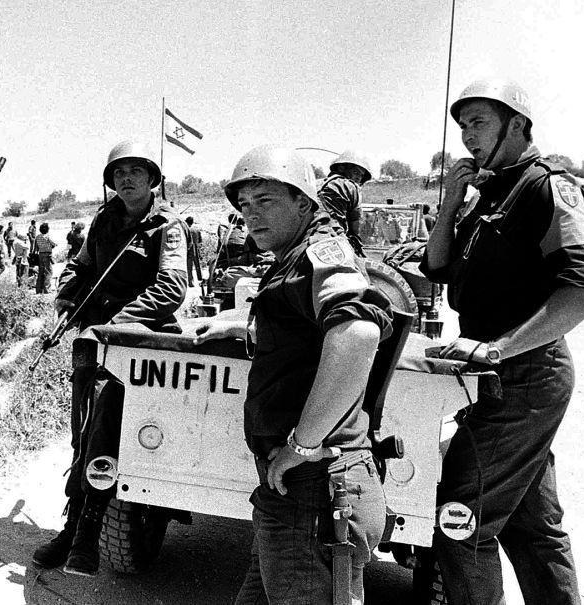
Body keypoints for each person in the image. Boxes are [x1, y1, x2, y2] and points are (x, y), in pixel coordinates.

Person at [421, 78, 584, 605]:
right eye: (462, 127)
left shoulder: (549, 187)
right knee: (531, 528)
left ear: (518, 125)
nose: (467, 137)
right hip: (500, 376)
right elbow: (438, 267)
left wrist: (498, 348)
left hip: (524, 375)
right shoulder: (490, 193)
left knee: (460, 522)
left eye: (478, 122)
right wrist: (451, 203)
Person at [194, 145, 392, 605]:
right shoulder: (292, 257)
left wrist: (300, 445)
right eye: (244, 206)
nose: (251, 217)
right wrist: (235, 324)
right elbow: (300, 331)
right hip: (296, 492)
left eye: (266, 201)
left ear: (304, 201)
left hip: (316, 490)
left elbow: (358, 332)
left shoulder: (320, 250)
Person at [32, 140, 187, 576]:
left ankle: (87, 531)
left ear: (152, 178)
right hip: (91, 337)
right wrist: (65, 296)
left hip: (137, 343)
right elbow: (80, 266)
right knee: (82, 429)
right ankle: (72, 523)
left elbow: (171, 288)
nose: (127, 178)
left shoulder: (167, 226)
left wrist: (117, 321)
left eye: (136, 170)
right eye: (119, 171)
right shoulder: (104, 219)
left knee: (107, 425)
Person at [318, 149, 373, 255]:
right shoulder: (350, 186)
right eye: (356, 172)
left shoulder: (316, 184)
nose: (358, 177)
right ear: (341, 168)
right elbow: (356, 229)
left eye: (361, 175)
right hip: (332, 242)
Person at [184, 215, 204, 287]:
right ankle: (201, 280)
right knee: (198, 265)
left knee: (189, 266)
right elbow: (200, 240)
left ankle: (190, 281)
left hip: (188, 248)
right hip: (196, 247)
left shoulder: (186, 229)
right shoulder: (196, 229)